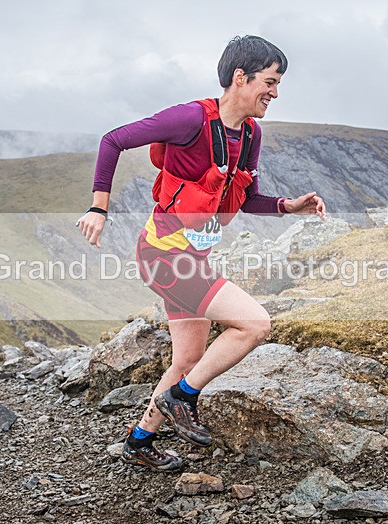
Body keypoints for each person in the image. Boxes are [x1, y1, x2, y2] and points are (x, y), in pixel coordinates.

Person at [77, 35, 326, 471]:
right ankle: (183, 397)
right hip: (163, 257)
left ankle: (139, 442)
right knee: (255, 323)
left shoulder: (249, 134)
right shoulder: (190, 119)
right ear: (240, 77)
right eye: (270, 82)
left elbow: (246, 199)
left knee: (188, 360)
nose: (275, 93)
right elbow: (113, 140)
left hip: (193, 259)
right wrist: (99, 207)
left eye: (277, 84)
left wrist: (288, 206)